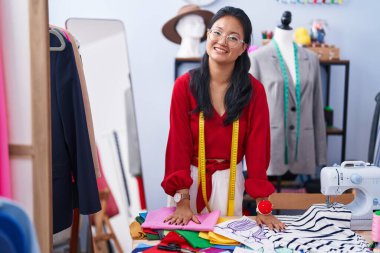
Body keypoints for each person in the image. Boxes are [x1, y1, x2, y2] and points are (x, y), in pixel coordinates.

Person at [161, 6, 285, 230]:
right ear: (208, 35)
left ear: (243, 48)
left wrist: (263, 207)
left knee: (226, 244)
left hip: (230, 180)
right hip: (187, 183)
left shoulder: (254, 92)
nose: (222, 41)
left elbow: (258, 151)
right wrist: (183, 200)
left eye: (233, 37)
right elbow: (178, 144)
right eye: (217, 32)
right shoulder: (184, 86)